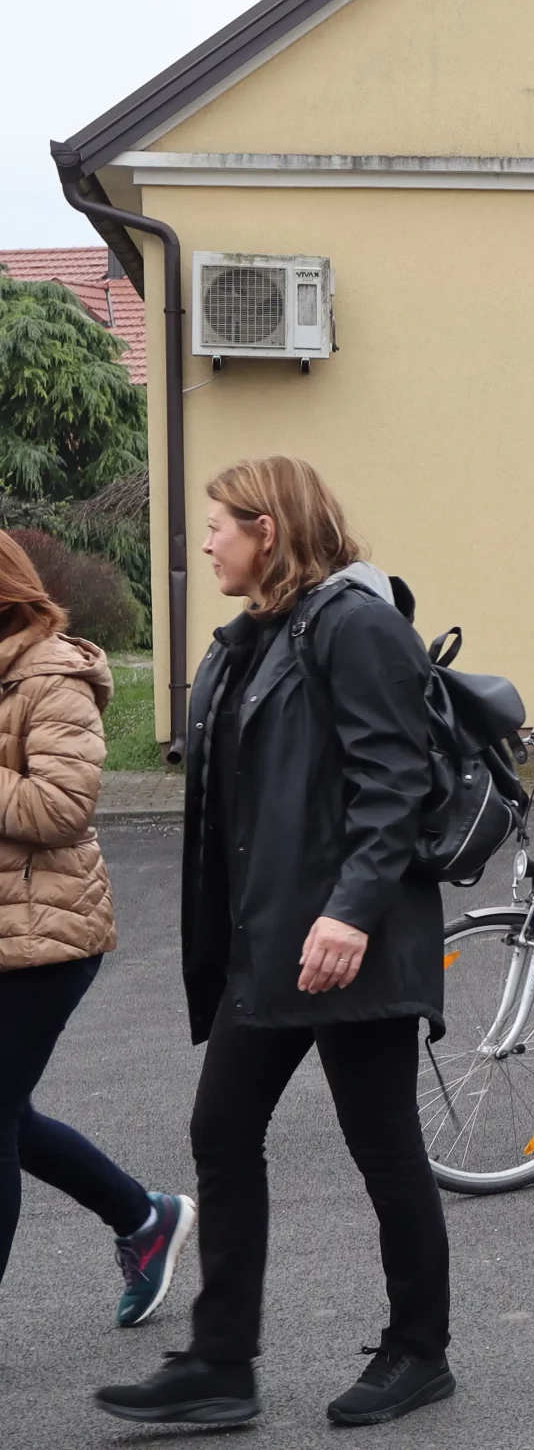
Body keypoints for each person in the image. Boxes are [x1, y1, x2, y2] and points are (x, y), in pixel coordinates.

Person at [97, 457, 453, 1428]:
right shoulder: (250, 637)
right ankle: (220, 1365)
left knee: (383, 1144)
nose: (206, 540)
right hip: (269, 940)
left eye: (219, 523)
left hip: (349, 940)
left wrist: (351, 912)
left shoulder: (355, 624)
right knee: (221, 1130)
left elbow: (396, 781)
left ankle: (420, 1350)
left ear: (270, 529)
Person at [0, 533, 195, 1329]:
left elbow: (59, 807)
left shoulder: (53, 675)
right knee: (11, 1115)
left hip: (47, 937)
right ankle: (144, 1218)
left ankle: (146, 1219)